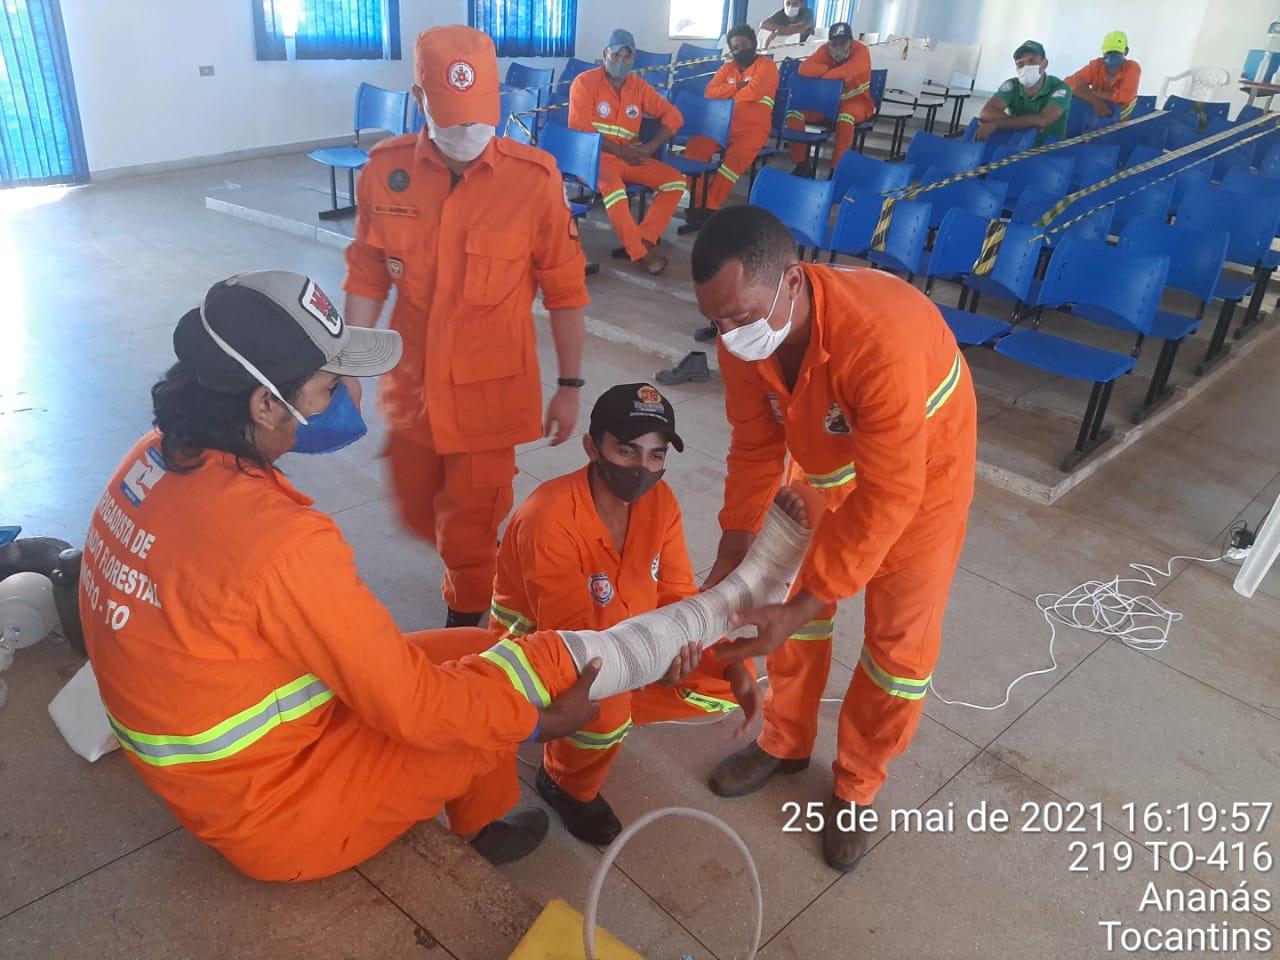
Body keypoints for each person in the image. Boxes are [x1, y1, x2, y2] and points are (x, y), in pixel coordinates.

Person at [83, 271, 605, 881]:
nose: (344, 397)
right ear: (263, 404)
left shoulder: (155, 454)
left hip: (215, 760)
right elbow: (415, 708)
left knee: (485, 649)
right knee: (492, 706)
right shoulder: (279, 542)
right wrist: (542, 723)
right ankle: (476, 814)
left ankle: (482, 820)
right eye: (328, 387)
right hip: (274, 812)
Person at [689, 206, 977, 872]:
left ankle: (856, 786)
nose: (729, 335)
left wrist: (803, 601)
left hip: (921, 482)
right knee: (791, 621)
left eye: (738, 315)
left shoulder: (880, 338)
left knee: (897, 652)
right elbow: (756, 447)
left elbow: (890, 496)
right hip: (821, 467)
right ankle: (785, 744)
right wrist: (732, 561)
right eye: (716, 322)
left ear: (792, 280)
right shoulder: (744, 335)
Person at [343, 26, 588, 629]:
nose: (468, 136)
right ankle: (478, 558)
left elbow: (565, 289)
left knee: (470, 518)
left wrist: (571, 384)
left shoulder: (533, 180)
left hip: (489, 390)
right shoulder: (385, 171)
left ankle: (468, 619)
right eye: (452, 122)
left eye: (480, 120)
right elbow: (369, 272)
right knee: (417, 506)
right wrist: (346, 364)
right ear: (420, 98)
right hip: (413, 381)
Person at [490, 383, 759, 843]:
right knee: (605, 703)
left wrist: (684, 652)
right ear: (593, 447)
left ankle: (624, 702)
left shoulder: (661, 503)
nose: (642, 469)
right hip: (547, 650)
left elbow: (676, 594)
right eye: (627, 450)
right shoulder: (549, 518)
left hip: (632, 631)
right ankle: (564, 782)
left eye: (656, 456)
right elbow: (575, 643)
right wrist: (655, 660)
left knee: (732, 672)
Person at [569, 28, 686, 275]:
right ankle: (640, 254)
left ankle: (641, 239)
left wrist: (649, 148)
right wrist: (622, 152)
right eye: (615, 56)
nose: (620, 62)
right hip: (595, 158)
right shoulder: (584, 83)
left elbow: (673, 115)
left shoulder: (639, 87)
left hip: (632, 158)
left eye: (626, 57)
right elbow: (581, 127)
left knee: (675, 181)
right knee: (615, 188)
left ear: (633, 59)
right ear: (604, 55)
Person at [679, 24, 780, 234]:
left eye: (745, 44)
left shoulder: (767, 66)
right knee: (694, 150)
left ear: (753, 44)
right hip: (721, 126)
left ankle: (710, 208)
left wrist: (728, 93)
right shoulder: (728, 68)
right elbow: (709, 92)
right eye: (736, 47)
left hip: (753, 129)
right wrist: (735, 88)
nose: (741, 50)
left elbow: (753, 92)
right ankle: (699, 201)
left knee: (731, 164)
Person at [785, 23, 873, 176]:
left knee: (845, 118)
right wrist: (829, 70)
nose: (838, 47)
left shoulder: (862, 51)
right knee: (794, 113)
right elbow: (804, 68)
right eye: (834, 43)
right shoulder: (825, 50)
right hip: (827, 103)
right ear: (829, 43)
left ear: (851, 42)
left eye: (843, 43)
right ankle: (802, 164)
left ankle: (837, 170)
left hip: (857, 102)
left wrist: (825, 73)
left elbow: (847, 71)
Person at [975, 40, 1072, 145]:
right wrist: (1020, 124)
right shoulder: (1012, 85)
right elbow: (986, 112)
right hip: (1016, 144)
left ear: (1044, 63)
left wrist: (997, 124)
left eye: (1032, 61)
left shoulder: (1060, 88)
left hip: (1048, 150)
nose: (1026, 67)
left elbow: (1043, 120)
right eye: (1020, 64)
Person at [1066, 31, 1141, 120]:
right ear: (1103, 52)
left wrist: (1091, 93)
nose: (1112, 55)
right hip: (1097, 116)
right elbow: (1068, 83)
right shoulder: (1096, 66)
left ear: (1126, 51)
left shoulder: (1132, 67)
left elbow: (1126, 96)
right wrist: (1096, 101)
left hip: (1124, 119)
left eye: (1117, 52)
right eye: (1109, 52)